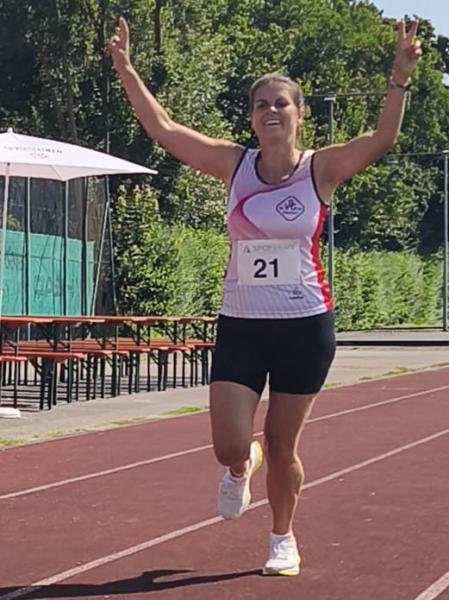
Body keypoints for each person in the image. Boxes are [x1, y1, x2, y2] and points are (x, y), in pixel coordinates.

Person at [108, 17, 421, 576]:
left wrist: (398, 78)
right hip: (243, 324)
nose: (271, 111)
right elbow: (164, 129)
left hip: (304, 325)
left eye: (281, 103)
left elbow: (381, 140)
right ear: (251, 118)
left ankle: (282, 538)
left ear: (299, 114)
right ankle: (239, 468)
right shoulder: (234, 165)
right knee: (231, 444)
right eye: (260, 105)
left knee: (281, 445)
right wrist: (127, 69)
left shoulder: (320, 168)